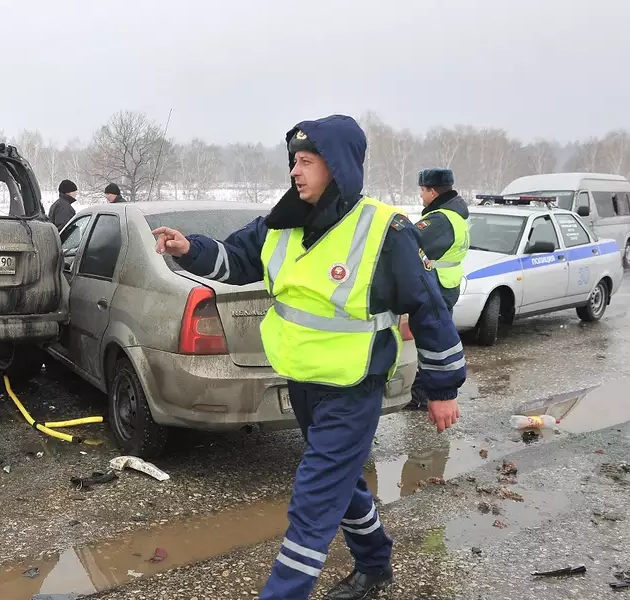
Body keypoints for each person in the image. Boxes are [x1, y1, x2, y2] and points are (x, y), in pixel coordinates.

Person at [152, 115, 465, 600]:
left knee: (314, 499)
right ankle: (375, 563)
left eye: (306, 162)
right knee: (342, 482)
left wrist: (442, 388)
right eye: (293, 162)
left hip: (353, 388)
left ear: (337, 166)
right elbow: (237, 259)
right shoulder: (283, 222)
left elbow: (429, 308)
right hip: (300, 382)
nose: (295, 171)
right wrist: (189, 248)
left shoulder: (386, 230)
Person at [405, 168, 470, 411]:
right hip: (447, 282)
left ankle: (422, 395)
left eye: (422, 190)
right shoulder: (456, 214)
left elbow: (408, 244)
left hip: (437, 285)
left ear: (432, 191)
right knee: (436, 336)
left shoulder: (440, 220)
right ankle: (423, 392)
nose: (421, 195)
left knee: (430, 338)